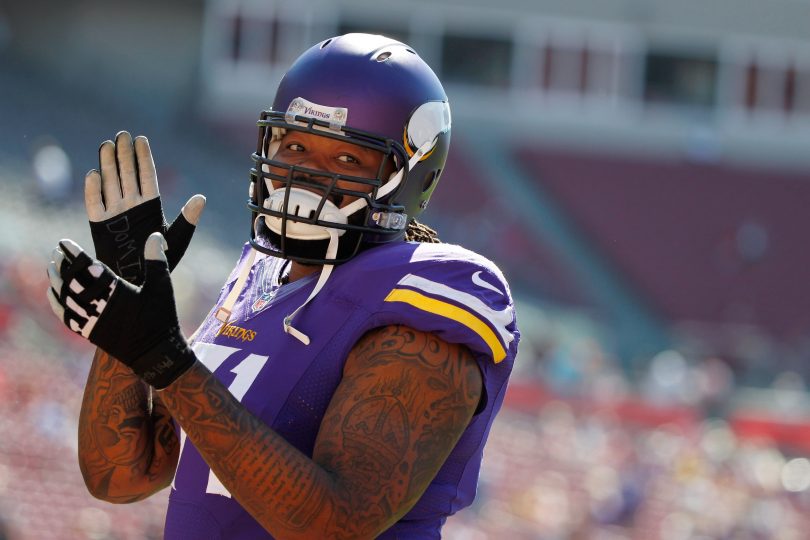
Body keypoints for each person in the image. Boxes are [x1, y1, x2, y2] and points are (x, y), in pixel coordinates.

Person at [46, 33, 520, 539]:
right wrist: (129, 321)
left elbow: (335, 525)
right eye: (294, 146)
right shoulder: (258, 274)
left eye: (347, 160)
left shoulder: (424, 297)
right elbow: (120, 476)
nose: (305, 176)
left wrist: (166, 360)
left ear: (410, 179)